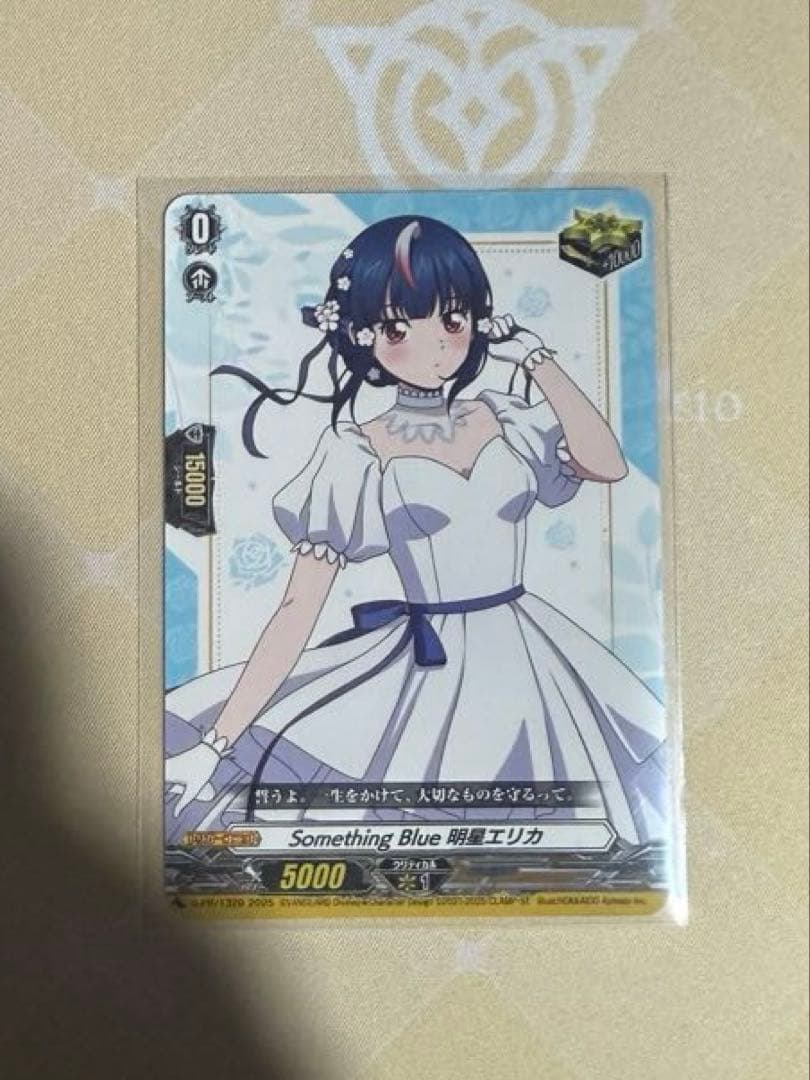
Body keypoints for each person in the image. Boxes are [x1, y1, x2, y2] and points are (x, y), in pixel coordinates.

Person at [165, 215, 667, 846]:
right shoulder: (356, 452)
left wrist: (536, 358)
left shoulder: (505, 417)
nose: (437, 347)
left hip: (532, 650)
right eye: (401, 328)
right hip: (429, 666)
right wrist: (215, 743)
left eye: (454, 320)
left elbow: (606, 463)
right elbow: (297, 608)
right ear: (364, 334)